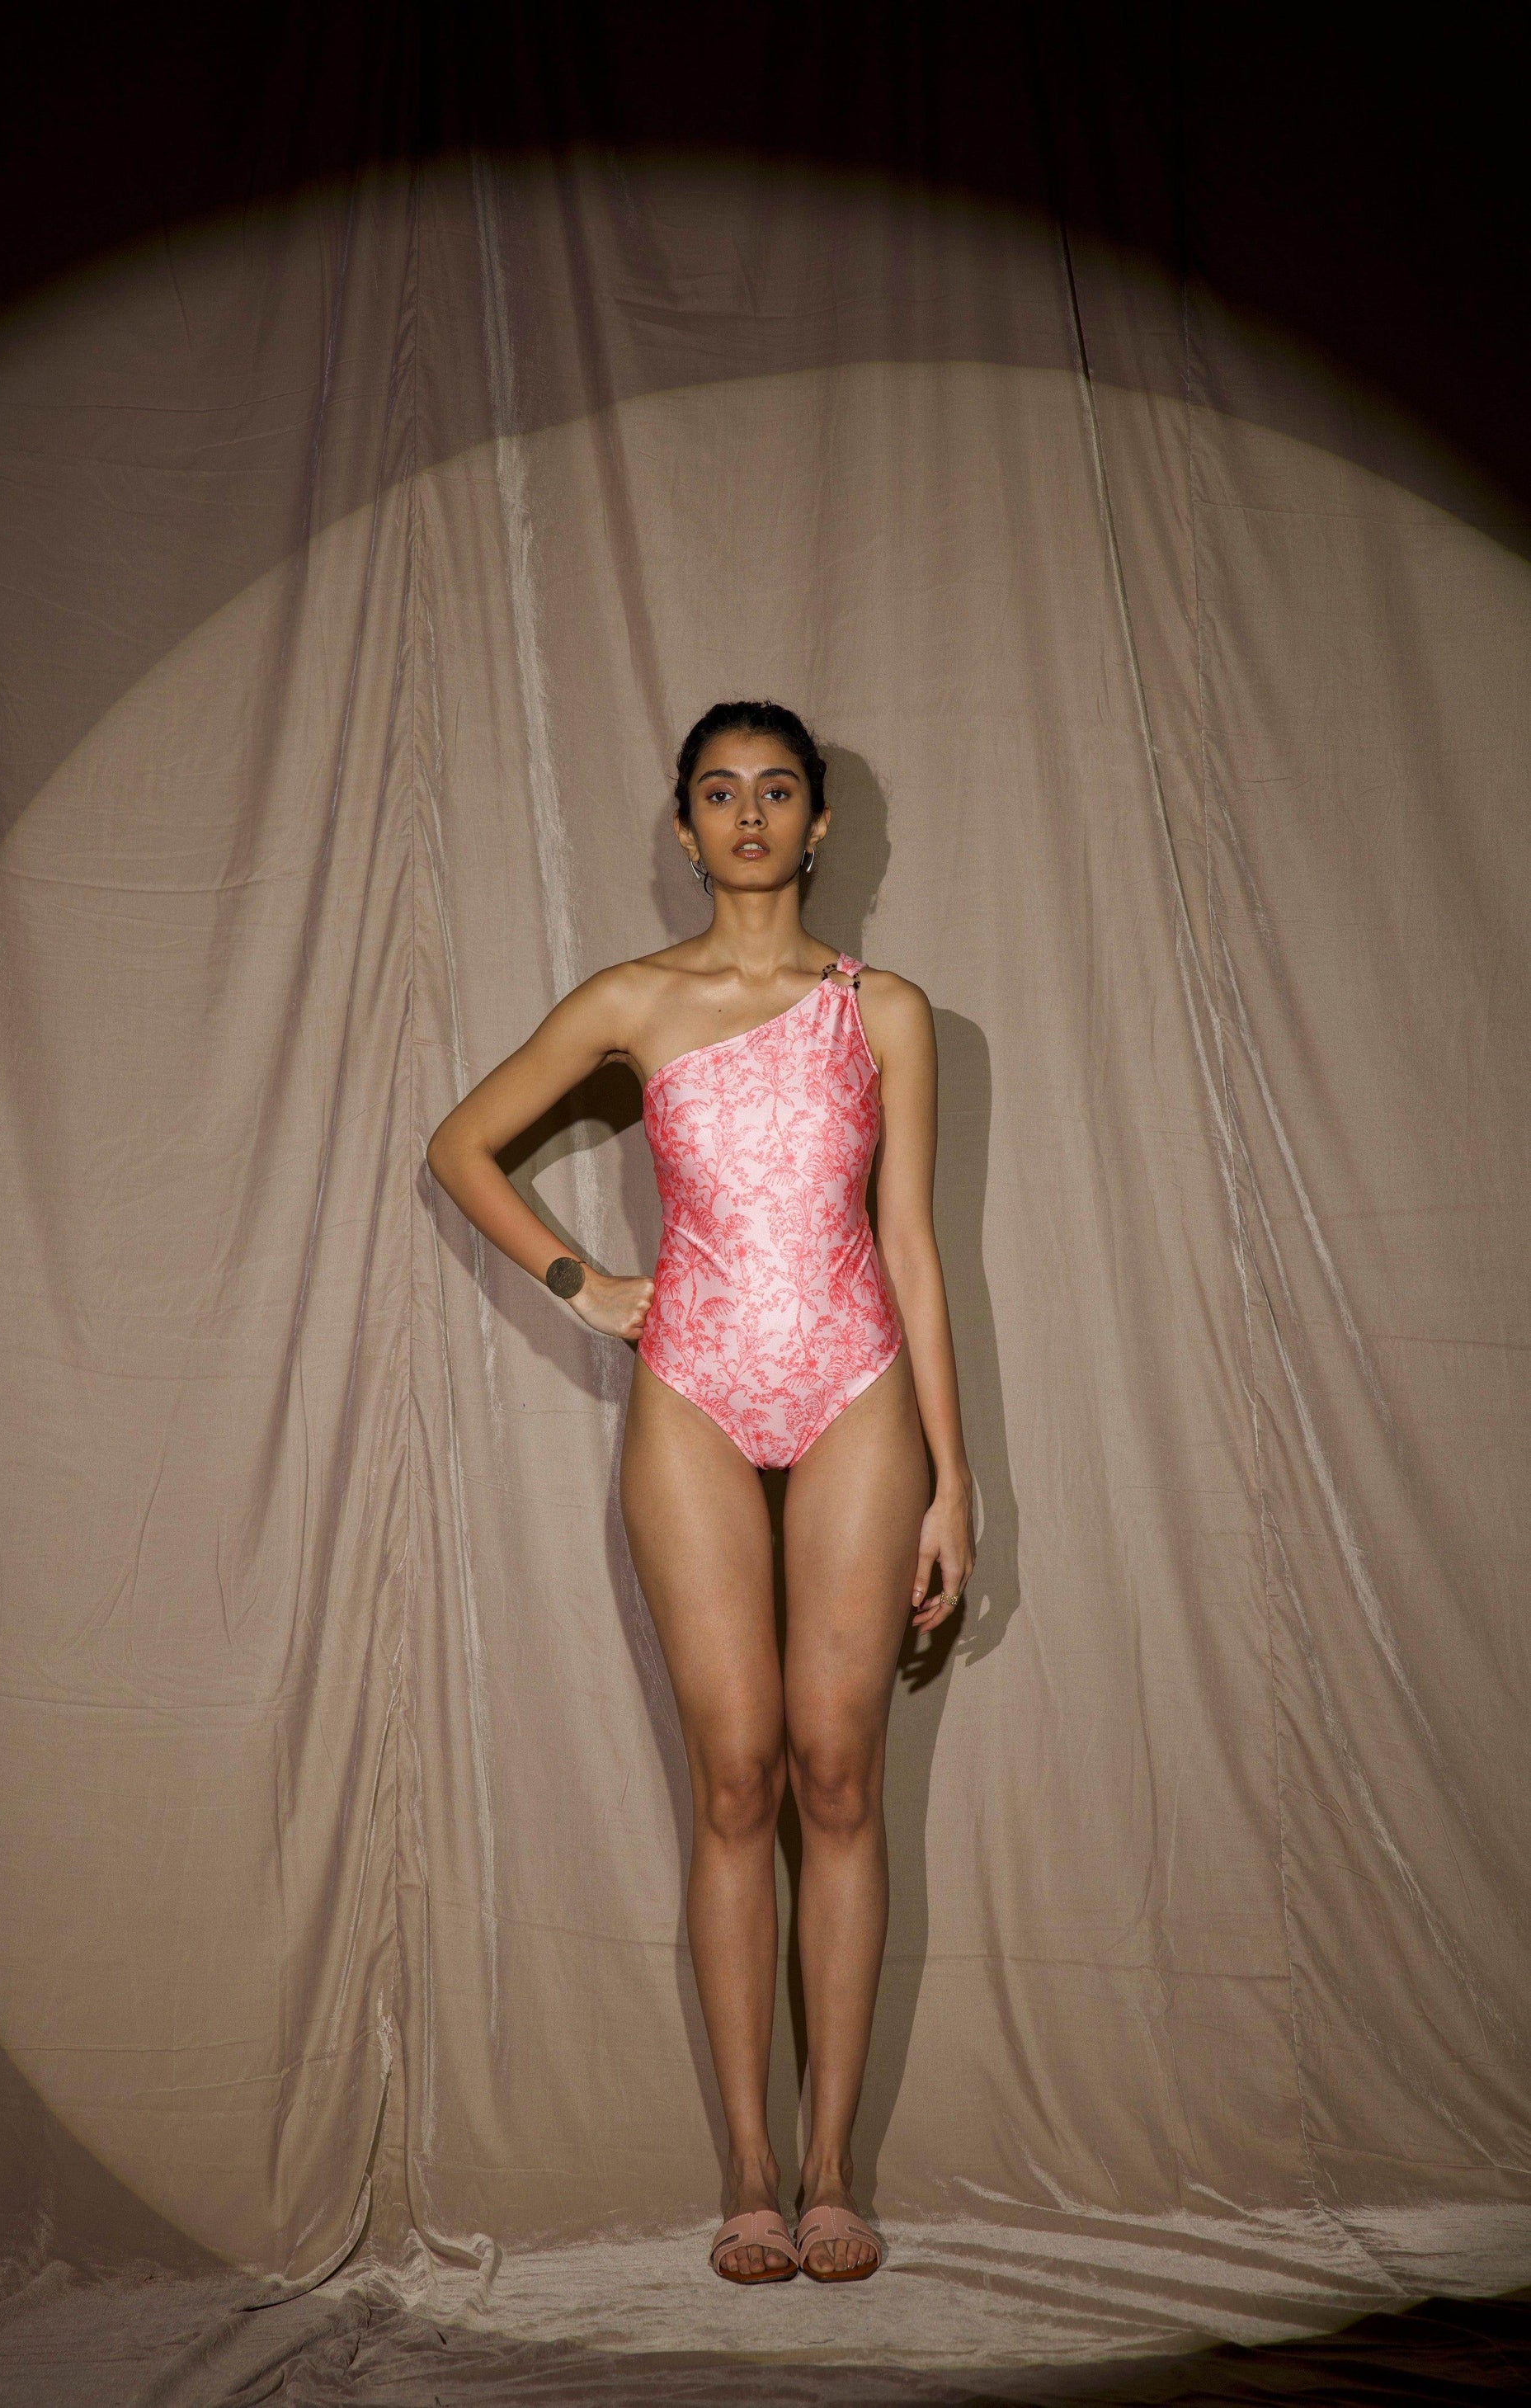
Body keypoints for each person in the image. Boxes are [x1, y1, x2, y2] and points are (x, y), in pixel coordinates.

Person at [425, 700, 975, 2283]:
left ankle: (831, 2173)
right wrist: (585, 1283)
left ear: (817, 824)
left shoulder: (884, 1010)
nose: (747, 815)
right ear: (682, 827)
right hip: (693, 1395)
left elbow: (911, 1244)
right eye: (718, 792)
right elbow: (461, 1144)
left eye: (776, 790)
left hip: (858, 1387)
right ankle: (745, 2168)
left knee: (838, 1775)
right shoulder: (632, 1000)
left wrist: (952, 1480)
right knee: (734, 1778)